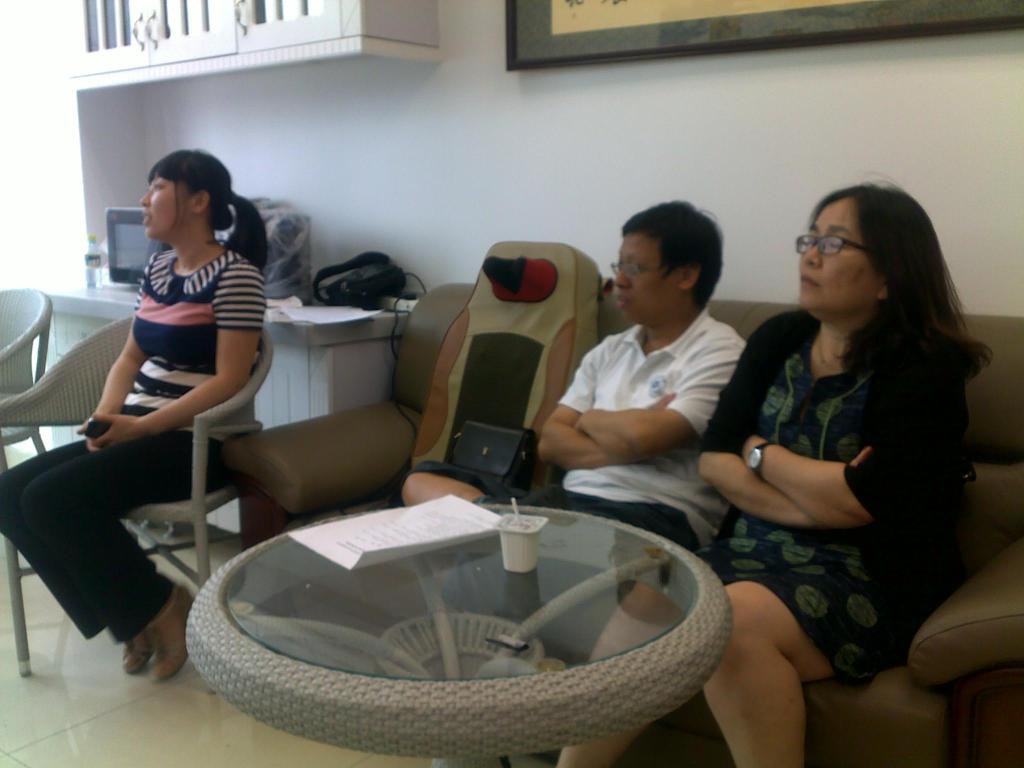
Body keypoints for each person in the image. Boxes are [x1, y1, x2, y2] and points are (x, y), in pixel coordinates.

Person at [557, 184, 989, 768]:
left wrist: (760, 452)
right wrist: (820, 492)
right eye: (810, 238)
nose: (810, 255)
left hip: (868, 574)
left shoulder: (927, 367)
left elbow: (866, 504)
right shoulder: (778, 338)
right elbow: (715, 459)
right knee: (651, 589)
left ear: (889, 276)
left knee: (729, 620)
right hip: (749, 550)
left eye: (833, 243)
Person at [0, 149, 267, 681]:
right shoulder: (160, 268)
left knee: (51, 499)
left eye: (157, 187)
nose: (143, 200)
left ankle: (162, 607)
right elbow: (129, 357)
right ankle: (131, 616)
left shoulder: (236, 276)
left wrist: (141, 427)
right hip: (136, 431)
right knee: (9, 495)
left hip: (192, 443)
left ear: (198, 201)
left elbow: (230, 380)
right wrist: (106, 416)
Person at [403, 201, 745, 551]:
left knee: (521, 542)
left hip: (656, 512)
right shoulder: (609, 350)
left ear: (686, 276)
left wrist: (588, 420)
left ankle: (498, 533)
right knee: (421, 480)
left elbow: (644, 439)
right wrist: (628, 436)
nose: (619, 281)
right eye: (619, 265)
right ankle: (502, 528)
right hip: (571, 502)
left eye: (635, 268)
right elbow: (551, 443)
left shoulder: (720, 351)